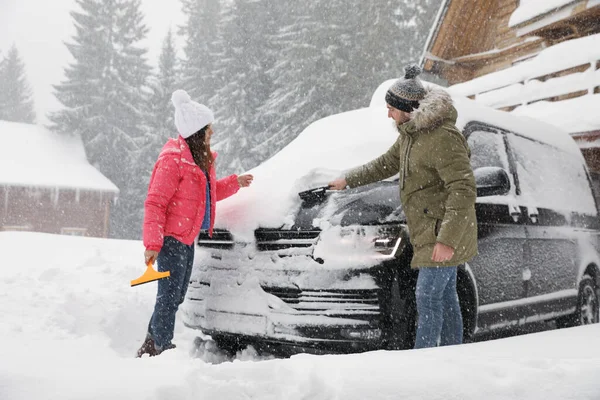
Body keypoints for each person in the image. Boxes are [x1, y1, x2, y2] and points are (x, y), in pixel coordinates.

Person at [328, 65, 477, 349]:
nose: (388, 114)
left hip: (444, 230)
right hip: (427, 230)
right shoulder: (411, 135)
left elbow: (463, 189)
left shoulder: (444, 137)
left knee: (428, 297)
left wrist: (447, 239)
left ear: (407, 107)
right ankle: (453, 356)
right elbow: (384, 163)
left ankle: (423, 362)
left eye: (391, 108)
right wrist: (347, 179)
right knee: (445, 298)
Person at [136, 89, 253, 357]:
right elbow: (155, 203)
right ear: (198, 131)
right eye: (209, 128)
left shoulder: (198, 161)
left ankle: (152, 342)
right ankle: (161, 346)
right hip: (170, 239)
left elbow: (209, 194)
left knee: (175, 296)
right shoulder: (173, 160)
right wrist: (153, 243)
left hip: (187, 238)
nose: (212, 132)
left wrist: (235, 183)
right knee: (168, 296)